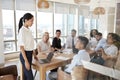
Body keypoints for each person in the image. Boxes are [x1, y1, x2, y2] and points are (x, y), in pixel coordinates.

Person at [18, 13, 38, 80]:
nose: (33, 22)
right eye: (31, 20)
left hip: (29, 54)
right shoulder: (22, 31)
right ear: (26, 20)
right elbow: (21, 47)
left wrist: (34, 54)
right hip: (24, 55)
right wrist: (26, 61)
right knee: (30, 77)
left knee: (26, 76)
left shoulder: (29, 30)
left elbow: (31, 44)